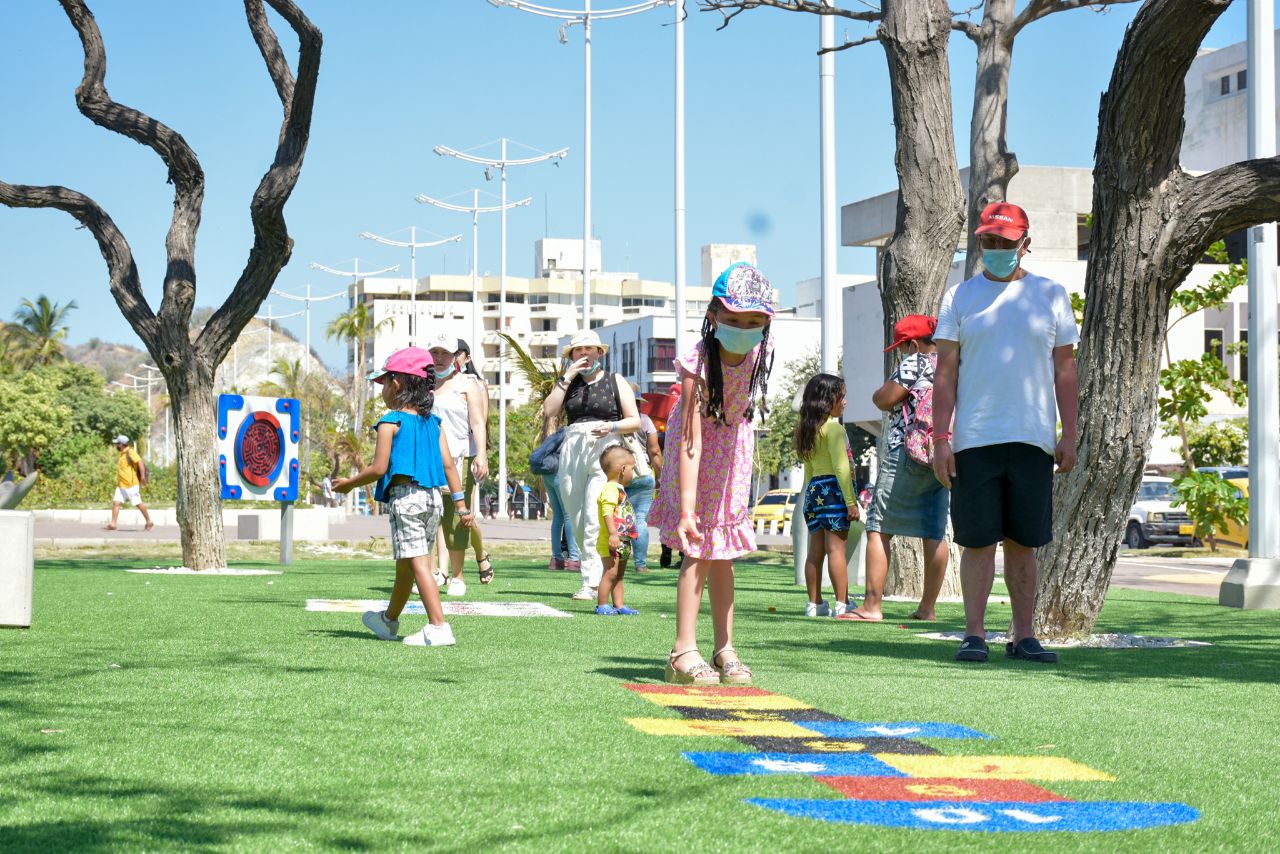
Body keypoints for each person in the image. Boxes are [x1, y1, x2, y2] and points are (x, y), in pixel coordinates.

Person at [932, 202, 1079, 664]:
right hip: (974, 440)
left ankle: (1023, 635)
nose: (996, 249)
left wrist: (1069, 432)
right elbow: (945, 373)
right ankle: (973, 634)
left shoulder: (1052, 295)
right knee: (976, 542)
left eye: (1005, 242)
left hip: (1034, 439)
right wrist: (940, 439)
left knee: (1024, 542)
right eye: (988, 242)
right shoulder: (959, 298)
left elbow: (1066, 369)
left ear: (1025, 244)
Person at [650, 262, 775, 685]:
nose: (743, 328)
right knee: (699, 550)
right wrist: (686, 509)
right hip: (695, 460)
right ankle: (682, 649)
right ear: (713, 315)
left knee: (725, 555)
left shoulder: (759, 353)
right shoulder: (697, 362)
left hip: (732, 458)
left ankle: (725, 647)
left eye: (753, 321)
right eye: (734, 319)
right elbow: (689, 438)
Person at [333, 346, 474, 647]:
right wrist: (460, 505)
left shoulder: (390, 422)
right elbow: (449, 465)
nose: (382, 388)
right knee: (406, 564)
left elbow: (378, 468)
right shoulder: (433, 423)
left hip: (406, 499)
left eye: (384, 382)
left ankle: (438, 626)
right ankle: (388, 621)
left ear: (397, 383)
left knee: (419, 562)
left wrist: (349, 484)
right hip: (434, 499)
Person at [842, 315, 950, 623]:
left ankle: (872, 606)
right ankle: (928, 608)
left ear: (913, 344)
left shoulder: (915, 362)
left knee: (879, 527)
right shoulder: (953, 362)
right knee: (934, 531)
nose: (901, 353)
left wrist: (883, 395)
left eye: (902, 347)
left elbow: (883, 398)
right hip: (940, 454)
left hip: (905, 451)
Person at [541, 329, 642, 601]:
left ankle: (592, 582)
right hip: (573, 446)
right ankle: (592, 574)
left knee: (593, 517)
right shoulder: (569, 383)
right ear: (571, 355)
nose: (584, 354)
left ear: (600, 352)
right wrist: (566, 377)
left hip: (605, 447)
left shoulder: (614, 380)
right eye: (578, 350)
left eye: (589, 349)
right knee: (575, 514)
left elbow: (635, 420)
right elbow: (550, 411)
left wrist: (610, 425)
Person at [424, 332, 492, 596]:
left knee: (457, 517)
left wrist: (481, 456)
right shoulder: (423, 384)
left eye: (445, 353)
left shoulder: (467, 384)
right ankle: (431, 574)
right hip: (427, 459)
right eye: (435, 353)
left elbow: (477, 422)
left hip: (459, 457)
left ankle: (458, 576)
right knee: (428, 515)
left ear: (455, 357)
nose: (439, 358)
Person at [795, 373, 861, 617]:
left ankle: (814, 604)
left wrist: (810, 498)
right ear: (827, 399)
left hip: (813, 492)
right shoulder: (835, 429)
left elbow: (808, 470)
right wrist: (850, 502)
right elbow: (841, 468)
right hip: (834, 492)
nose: (844, 401)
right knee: (837, 550)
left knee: (815, 550)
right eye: (841, 396)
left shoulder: (808, 430)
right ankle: (842, 603)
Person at [595, 445, 641, 616]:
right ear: (622, 469)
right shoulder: (610, 489)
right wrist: (613, 534)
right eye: (632, 468)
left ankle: (619, 605)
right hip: (612, 542)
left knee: (619, 574)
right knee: (610, 573)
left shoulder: (619, 489)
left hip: (623, 541)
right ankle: (602, 604)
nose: (633, 473)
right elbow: (607, 511)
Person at [626, 392, 663, 572]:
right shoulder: (645, 420)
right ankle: (640, 564)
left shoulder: (614, 420)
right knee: (639, 519)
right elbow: (654, 450)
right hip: (642, 473)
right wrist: (660, 474)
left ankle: (618, 563)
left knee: (618, 519)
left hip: (618, 474)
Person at [106, 435, 153, 532]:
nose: (116, 446)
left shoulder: (130, 452)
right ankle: (113, 524)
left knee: (138, 503)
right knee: (116, 503)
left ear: (122, 444)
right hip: (121, 485)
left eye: (117, 444)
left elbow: (140, 462)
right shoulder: (122, 454)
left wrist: (143, 477)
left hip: (131, 484)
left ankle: (149, 521)